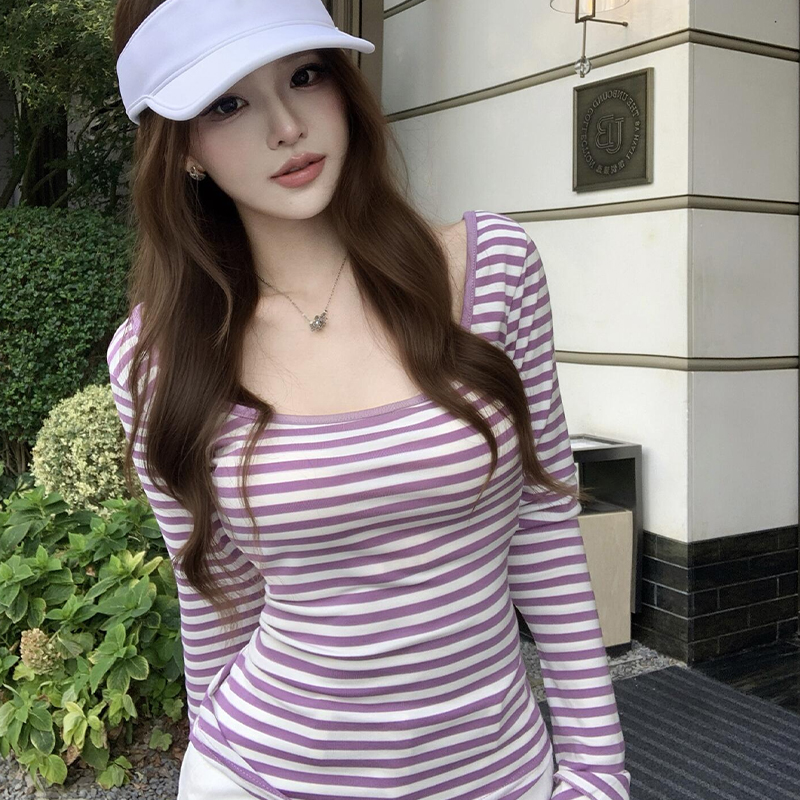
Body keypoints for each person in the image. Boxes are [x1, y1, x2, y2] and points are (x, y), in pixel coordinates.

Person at [106, 1, 632, 799]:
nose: (287, 126)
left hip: (498, 775)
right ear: (181, 149)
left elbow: (544, 523)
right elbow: (215, 593)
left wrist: (595, 769)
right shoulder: (156, 359)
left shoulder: (493, 271)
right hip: (262, 774)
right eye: (228, 102)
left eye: (304, 75)